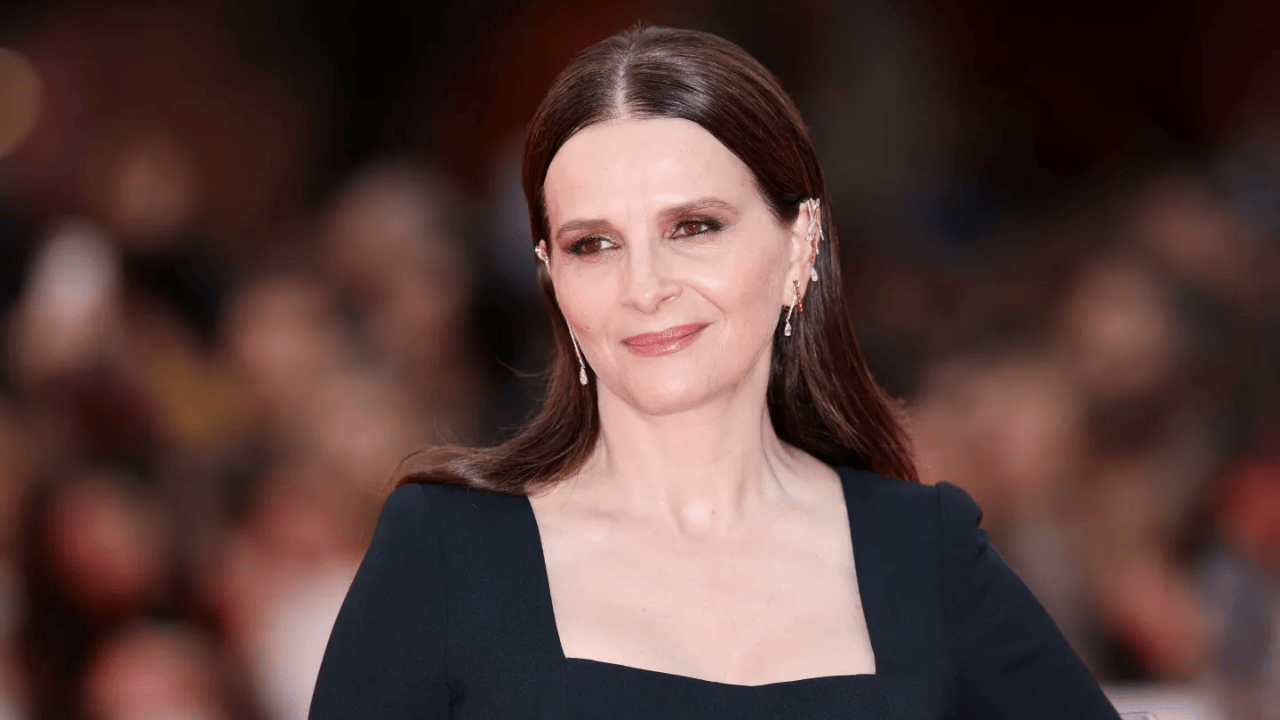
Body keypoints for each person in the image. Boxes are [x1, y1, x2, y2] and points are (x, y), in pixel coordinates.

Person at [308, 26, 1122, 718]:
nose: (646, 287)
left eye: (693, 227)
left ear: (800, 244)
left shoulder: (922, 552)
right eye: (594, 244)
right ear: (552, 277)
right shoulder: (449, 551)